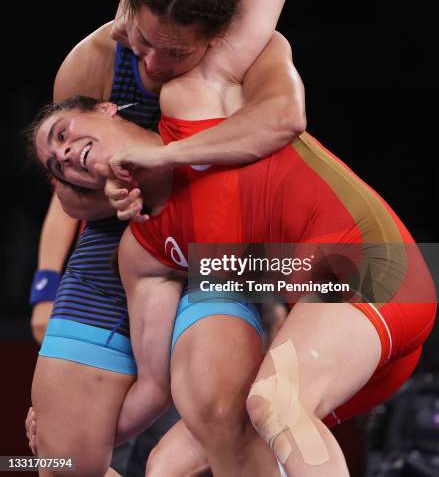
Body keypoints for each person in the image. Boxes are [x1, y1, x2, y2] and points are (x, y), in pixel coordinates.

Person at [30, 66, 436, 477]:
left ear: (107, 109)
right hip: (353, 343)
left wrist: (165, 153)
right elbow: (152, 389)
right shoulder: (147, 250)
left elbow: (259, 29)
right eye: (56, 164)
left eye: (62, 134)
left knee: (275, 399)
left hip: (377, 267)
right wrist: (67, 438)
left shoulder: (198, 106)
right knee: (166, 466)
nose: (62, 154)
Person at [28, 0, 305, 476]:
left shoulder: (246, 53)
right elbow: (64, 194)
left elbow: (284, 115)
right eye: (144, 42)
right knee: (51, 463)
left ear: (216, 34)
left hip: (220, 258)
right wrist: (100, 195)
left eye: (176, 53)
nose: (153, 63)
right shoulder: (96, 59)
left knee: (212, 434)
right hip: (127, 255)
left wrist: (167, 158)